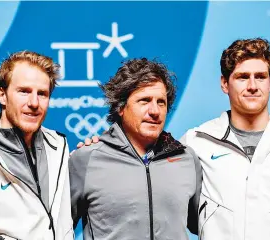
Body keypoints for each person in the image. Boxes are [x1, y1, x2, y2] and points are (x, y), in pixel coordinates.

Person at [181, 38, 270, 240]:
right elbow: (178, 212)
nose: (252, 86)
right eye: (242, 77)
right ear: (224, 83)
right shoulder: (197, 143)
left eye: (260, 77)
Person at [69, 58, 201, 240]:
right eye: (144, 100)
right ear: (121, 107)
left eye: (161, 102)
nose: (155, 111)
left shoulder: (186, 159)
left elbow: (205, 225)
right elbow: (58, 230)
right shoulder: (86, 158)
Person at [0, 51, 73, 239]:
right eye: (24, 91)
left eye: (42, 94)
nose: (34, 103)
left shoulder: (58, 146)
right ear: (2, 95)